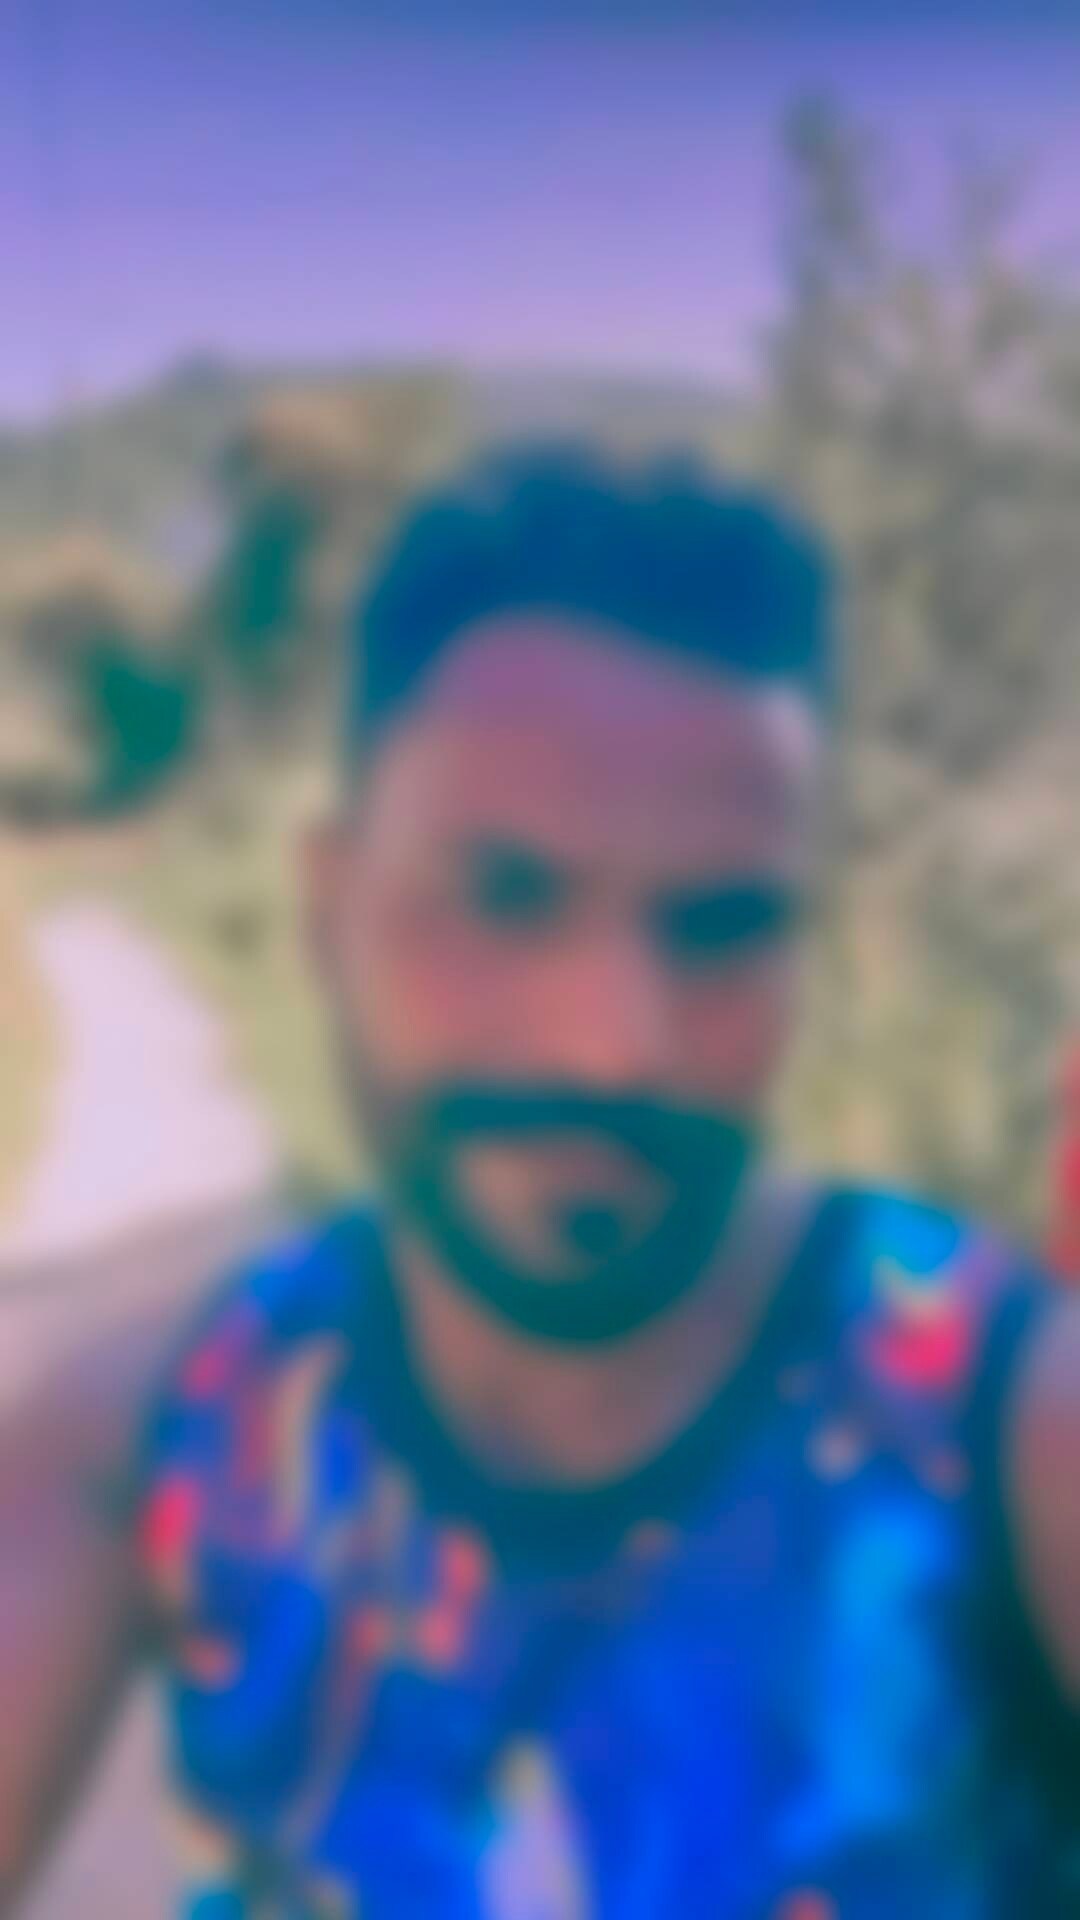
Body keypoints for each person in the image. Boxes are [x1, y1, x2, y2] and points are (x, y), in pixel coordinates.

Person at [3, 445, 1080, 1919]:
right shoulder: (156, 1436)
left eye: (722, 926)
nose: (613, 1044)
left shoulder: (998, 1416)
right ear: (326, 908)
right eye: (506, 895)